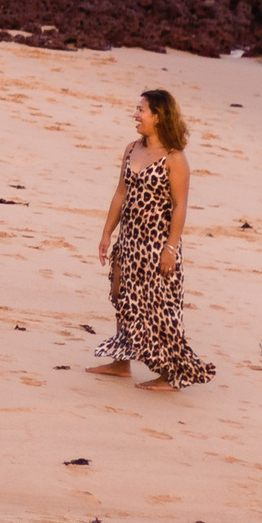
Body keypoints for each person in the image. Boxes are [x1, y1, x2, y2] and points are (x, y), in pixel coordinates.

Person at [89, 88, 216, 391]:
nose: (136, 114)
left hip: (157, 243)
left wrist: (170, 247)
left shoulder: (175, 159)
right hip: (129, 239)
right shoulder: (132, 148)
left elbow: (180, 206)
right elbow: (121, 193)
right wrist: (107, 233)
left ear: (158, 117)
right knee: (122, 297)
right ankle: (122, 361)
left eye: (141, 110)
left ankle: (172, 374)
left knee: (161, 308)